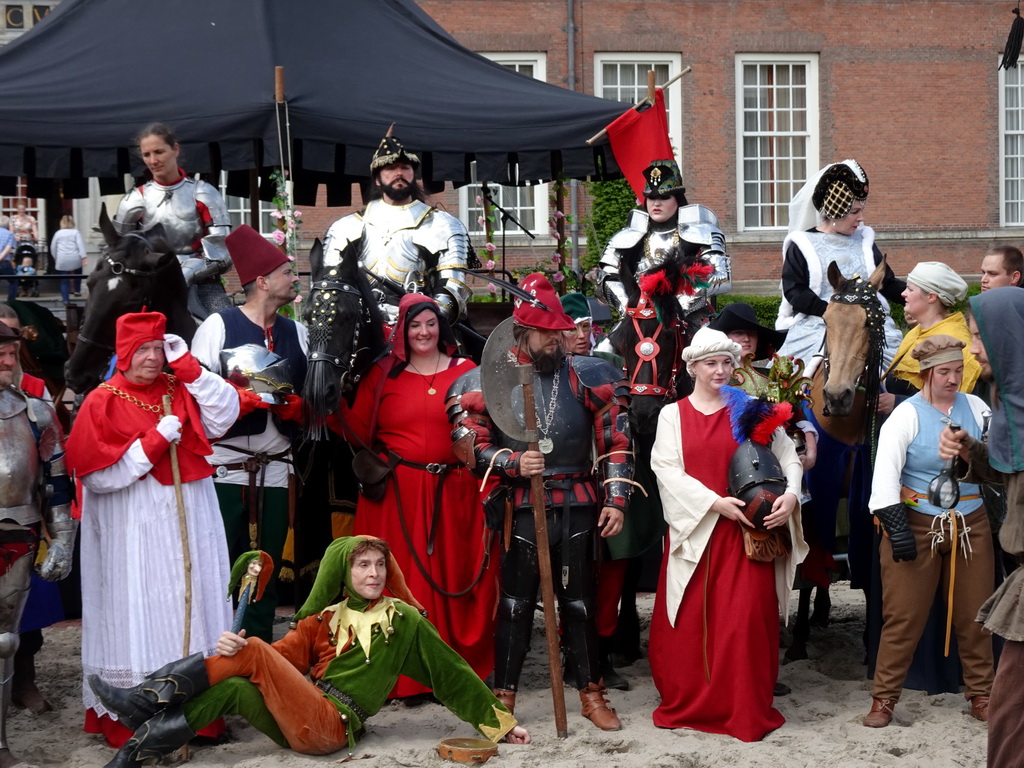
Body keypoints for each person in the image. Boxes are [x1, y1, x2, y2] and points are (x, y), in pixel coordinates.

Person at [87, 536, 529, 766]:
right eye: (362, 564)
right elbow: (274, 661)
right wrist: (232, 648)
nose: (373, 573)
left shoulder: (404, 619)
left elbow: (451, 673)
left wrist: (499, 725)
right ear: (344, 570)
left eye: (379, 564)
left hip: (333, 728)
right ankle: (132, 755)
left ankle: (144, 700)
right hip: (298, 722)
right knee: (235, 687)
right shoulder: (323, 618)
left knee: (254, 652)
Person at [447, 273, 633, 730]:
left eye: (560, 331)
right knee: (514, 603)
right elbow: (467, 441)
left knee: (580, 602)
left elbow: (615, 439)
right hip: (520, 506)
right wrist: (511, 462)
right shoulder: (488, 379)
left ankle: (591, 693)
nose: (558, 339)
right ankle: (503, 697)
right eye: (548, 333)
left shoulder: (589, 375)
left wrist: (616, 498)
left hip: (578, 500)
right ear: (523, 332)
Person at [65, 311, 239, 747]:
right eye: (142, 349)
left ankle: (198, 716)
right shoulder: (101, 400)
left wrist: (189, 368)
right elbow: (96, 475)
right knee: (140, 610)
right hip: (134, 530)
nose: (152, 357)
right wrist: (153, 443)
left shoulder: (178, 388)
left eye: (158, 347)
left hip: (191, 517)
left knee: (194, 603)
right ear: (123, 354)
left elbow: (225, 413)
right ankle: (137, 716)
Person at [649, 326, 807, 742]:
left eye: (726, 362)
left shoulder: (751, 407)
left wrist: (790, 496)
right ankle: (695, 703)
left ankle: (743, 705)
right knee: (691, 623)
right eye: (711, 363)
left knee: (746, 623)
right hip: (697, 532)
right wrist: (714, 503)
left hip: (749, 538)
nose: (720, 370)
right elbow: (666, 470)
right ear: (693, 367)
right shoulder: (672, 414)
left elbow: (789, 458)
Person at [338, 293, 495, 699]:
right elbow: (355, 429)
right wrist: (323, 400)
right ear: (402, 331)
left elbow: (492, 425)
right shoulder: (384, 374)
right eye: (414, 325)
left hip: (457, 491)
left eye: (430, 323)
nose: (423, 332)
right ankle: (408, 677)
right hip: (399, 496)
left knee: (459, 576)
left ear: (441, 327)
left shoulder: (468, 370)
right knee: (401, 582)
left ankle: (457, 668)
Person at [864, 335, 993, 728]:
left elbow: (998, 466)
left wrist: (969, 452)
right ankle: (884, 699)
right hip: (918, 523)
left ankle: (982, 693)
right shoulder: (906, 415)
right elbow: (884, 475)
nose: (953, 379)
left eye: (957, 370)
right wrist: (896, 527)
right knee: (904, 617)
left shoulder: (978, 408)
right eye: (944, 372)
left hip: (972, 522)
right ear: (926, 373)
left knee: (977, 615)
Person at [191, 225, 307, 643]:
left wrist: (302, 409)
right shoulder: (217, 328)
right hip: (225, 467)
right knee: (219, 568)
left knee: (267, 568)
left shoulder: (298, 333)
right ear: (262, 282)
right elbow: (194, 393)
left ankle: (259, 655)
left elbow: (313, 398)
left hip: (276, 468)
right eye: (287, 272)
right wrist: (235, 402)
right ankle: (214, 654)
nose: (294, 278)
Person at [938, 288, 1024, 766]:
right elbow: (1011, 470)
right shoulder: (1012, 405)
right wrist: (971, 450)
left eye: (978, 336)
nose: (972, 348)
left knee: (1010, 709)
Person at [0, 321, 77, 768]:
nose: (11, 363)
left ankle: (0, 744)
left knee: (6, 640)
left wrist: (62, 538)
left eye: (13, 354)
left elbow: (55, 482)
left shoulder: (35, 412)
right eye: (2, 356)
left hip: (17, 533)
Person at [322, 126, 470, 326]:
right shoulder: (344, 228)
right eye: (391, 168)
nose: (398, 173)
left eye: (405, 168)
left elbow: (453, 289)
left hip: (421, 327)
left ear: (413, 175)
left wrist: (423, 324)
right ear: (377, 178)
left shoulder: (443, 224)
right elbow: (330, 289)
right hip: (362, 328)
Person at [776, 159, 906, 371]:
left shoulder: (864, 241)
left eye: (861, 210)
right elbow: (795, 290)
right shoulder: (803, 244)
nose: (861, 218)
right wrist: (832, 312)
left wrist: (919, 294)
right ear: (835, 210)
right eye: (855, 212)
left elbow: (888, 283)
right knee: (791, 382)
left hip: (868, 323)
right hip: (820, 323)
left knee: (904, 374)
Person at [112, 123, 232, 317]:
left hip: (201, 284)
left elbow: (223, 253)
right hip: (148, 282)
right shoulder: (133, 200)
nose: (153, 160)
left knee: (230, 329)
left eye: (159, 152)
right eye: (147, 154)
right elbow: (119, 252)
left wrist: (187, 273)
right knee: (107, 328)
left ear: (175, 149)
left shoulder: (203, 193)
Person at [598, 158, 731, 330]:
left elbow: (720, 277)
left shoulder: (703, 232)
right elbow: (606, 277)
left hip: (691, 318)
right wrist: (629, 307)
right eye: (651, 198)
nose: (656, 203)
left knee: (711, 350)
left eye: (664, 197)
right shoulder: (626, 237)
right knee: (605, 352)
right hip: (637, 317)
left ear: (677, 199)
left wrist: (675, 309)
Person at [886, 262, 980, 394]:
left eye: (910, 289)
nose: (903, 294)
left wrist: (897, 402)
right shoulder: (916, 333)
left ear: (931, 297)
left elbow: (956, 401)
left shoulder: (955, 340)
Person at [50, 215, 88, 303]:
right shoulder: (75, 232)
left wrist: (56, 258)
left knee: (64, 280)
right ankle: (77, 290)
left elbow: (53, 248)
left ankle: (65, 299)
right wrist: (83, 256)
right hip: (75, 257)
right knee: (78, 272)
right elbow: (80, 245)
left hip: (62, 258)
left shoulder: (58, 233)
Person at [0, 217, 16, 302]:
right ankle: (11, 301)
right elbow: (8, 249)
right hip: (4, 262)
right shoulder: (9, 234)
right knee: (13, 281)